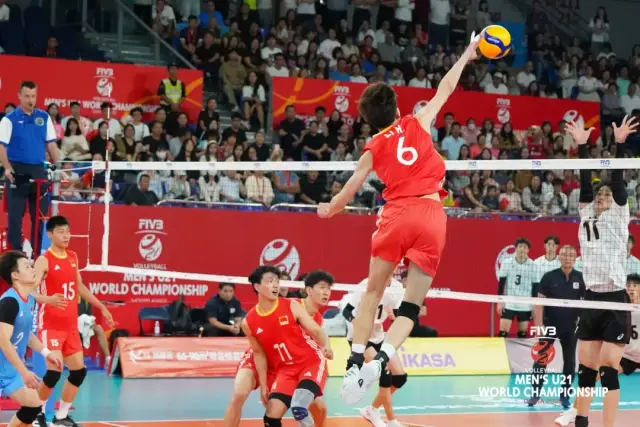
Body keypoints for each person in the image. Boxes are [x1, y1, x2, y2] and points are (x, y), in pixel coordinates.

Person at [317, 32, 481, 404]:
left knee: (372, 294)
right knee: (409, 306)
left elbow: (348, 191)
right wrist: (467, 54)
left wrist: (328, 209)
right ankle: (383, 360)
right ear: (395, 110)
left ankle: (355, 364)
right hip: (431, 215)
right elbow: (446, 87)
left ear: (369, 120)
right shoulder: (416, 122)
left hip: (396, 215)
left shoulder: (372, 147)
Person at [563, 115, 637, 427]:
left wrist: (619, 144)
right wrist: (582, 147)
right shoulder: (585, 214)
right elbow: (585, 181)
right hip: (591, 298)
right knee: (586, 371)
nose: (603, 197)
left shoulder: (619, 214)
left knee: (608, 370)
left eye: (607, 194)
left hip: (615, 300)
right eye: (600, 194)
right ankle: (581, 421)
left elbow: (617, 181)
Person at [33, 216, 115, 427]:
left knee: (78, 372)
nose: (66, 235)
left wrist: (101, 306)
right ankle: (36, 414)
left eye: (68, 231)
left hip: (70, 326)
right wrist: (48, 299)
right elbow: (30, 290)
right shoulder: (44, 260)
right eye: (61, 231)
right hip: (50, 324)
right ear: (50, 234)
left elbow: (79, 286)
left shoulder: (72, 256)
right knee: (54, 373)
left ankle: (61, 417)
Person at [223, 270, 334, 427]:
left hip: (289, 362)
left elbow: (317, 333)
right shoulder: (289, 306)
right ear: (309, 290)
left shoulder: (312, 317)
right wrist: (263, 385)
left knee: (312, 406)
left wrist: (327, 346)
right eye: (322, 288)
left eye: (328, 289)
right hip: (267, 358)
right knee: (240, 394)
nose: (326, 292)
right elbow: (258, 352)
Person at [554, 274, 640, 426]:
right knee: (595, 375)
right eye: (629, 286)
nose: (631, 289)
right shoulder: (618, 308)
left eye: (635, 286)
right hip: (627, 356)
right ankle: (574, 411)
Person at [0, 250, 63, 427]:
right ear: (15, 275)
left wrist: (47, 353)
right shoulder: (9, 303)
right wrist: (24, 371)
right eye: (27, 266)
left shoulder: (30, 300)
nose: (32, 269)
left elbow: (26, 335)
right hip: (6, 367)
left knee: (34, 405)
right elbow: (3, 341)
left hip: (9, 370)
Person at [0, 81, 60, 253]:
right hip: (16, 171)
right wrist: (7, 168)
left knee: (40, 218)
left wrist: (60, 166)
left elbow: (51, 145)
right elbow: (1, 147)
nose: (30, 100)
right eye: (26, 96)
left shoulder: (44, 117)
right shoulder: (8, 120)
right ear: (19, 96)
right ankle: (16, 255)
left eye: (33, 96)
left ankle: (37, 253)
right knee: (15, 218)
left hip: (38, 171)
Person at [343, 278, 408, 427]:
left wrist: (393, 317)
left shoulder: (397, 287)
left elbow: (397, 317)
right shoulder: (367, 283)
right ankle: (392, 420)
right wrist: (357, 322)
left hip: (379, 336)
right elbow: (347, 311)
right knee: (384, 372)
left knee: (400, 377)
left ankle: (372, 409)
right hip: (360, 337)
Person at [528, 245, 585, 409]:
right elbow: (538, 303)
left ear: (575, 259)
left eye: (571, 255)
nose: (567, 258)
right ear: (559, 257)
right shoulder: (549, 277)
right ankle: (535, 394)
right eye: (564, 255)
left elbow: (586, 304)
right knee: (541, 359)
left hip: (570, 326)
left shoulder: (581, 278)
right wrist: (539, 325)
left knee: (570, 362)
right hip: (550, 325)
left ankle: (564, 396)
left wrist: (582, 324)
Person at [496, 238, 537, 338]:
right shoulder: (506, 263)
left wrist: (534, 306)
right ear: (516, 248)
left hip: (525, 304)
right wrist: (500, 302)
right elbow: (501, 284)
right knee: (502, 333)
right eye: (520, 246)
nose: (522, 249)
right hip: (509, 303)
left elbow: (535, 287)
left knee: (522, 334)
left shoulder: (533, 265)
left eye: (525, 247)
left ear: (528, 250)